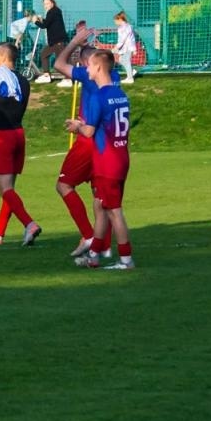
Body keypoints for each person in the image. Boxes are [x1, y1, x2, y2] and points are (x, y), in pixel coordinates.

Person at [51, 22, 125, 259]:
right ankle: (103, 247)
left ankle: (89, 236)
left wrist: (73, 43)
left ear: (88, 65)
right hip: (110, 146)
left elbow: (58, 64)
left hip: (88, 140)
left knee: (63, 185)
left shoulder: (87, 75)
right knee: (101, 199)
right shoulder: (114, 76)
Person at [68, 49, 135, 270]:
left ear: (98, 68)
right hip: (121, 156)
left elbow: (88, 131)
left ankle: (126, 259)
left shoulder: (98, 96)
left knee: (114, 211)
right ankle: (95, 255)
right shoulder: (121, 94)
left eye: (89, 65)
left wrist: (76, 126)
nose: (86, 68)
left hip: (107, 161)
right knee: (100, 206)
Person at [0, 41, 40, 247]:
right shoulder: (24, 81)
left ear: (3, 57)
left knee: (5, 190)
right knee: (9, 190)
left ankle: (29, 224)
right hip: (18, 133)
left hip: (1, 135)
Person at [34, 0, 70, 84]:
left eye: (47, 3)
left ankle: (68, 79)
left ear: (52, 3)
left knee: (60, 62)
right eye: (44, 4)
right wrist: (42, 19)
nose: (46, 5)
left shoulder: (53, 12)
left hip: (58, 42)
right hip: (54, 42)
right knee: (44, 54)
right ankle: (46, 75)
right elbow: (49, 22)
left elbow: (44, 25)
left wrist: (35, 21)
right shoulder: (54, 12)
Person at [113, 11, 137, 84]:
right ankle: (131, 71)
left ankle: (130, 78)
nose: (115, 22)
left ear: (120, 19)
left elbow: (122, 39)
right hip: (125, 48)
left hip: (127, 48)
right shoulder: (124, 27)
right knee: (121, 60)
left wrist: (116, 47)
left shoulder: (125, 27)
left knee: (126, 62)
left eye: (115, 21)